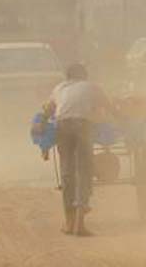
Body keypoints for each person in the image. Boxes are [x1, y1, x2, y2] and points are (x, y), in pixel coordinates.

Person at [42, 62, 111, 236]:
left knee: (67, 172)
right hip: (83, 125)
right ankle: (79, 223)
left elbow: (48, 110)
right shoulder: (93, 87)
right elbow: (109, 108)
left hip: (62, 126)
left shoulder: (60, 88)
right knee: (84, 170)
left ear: (68, 77)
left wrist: (41, 127)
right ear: (85, 76)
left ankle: (69, 222)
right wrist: (123, 121)